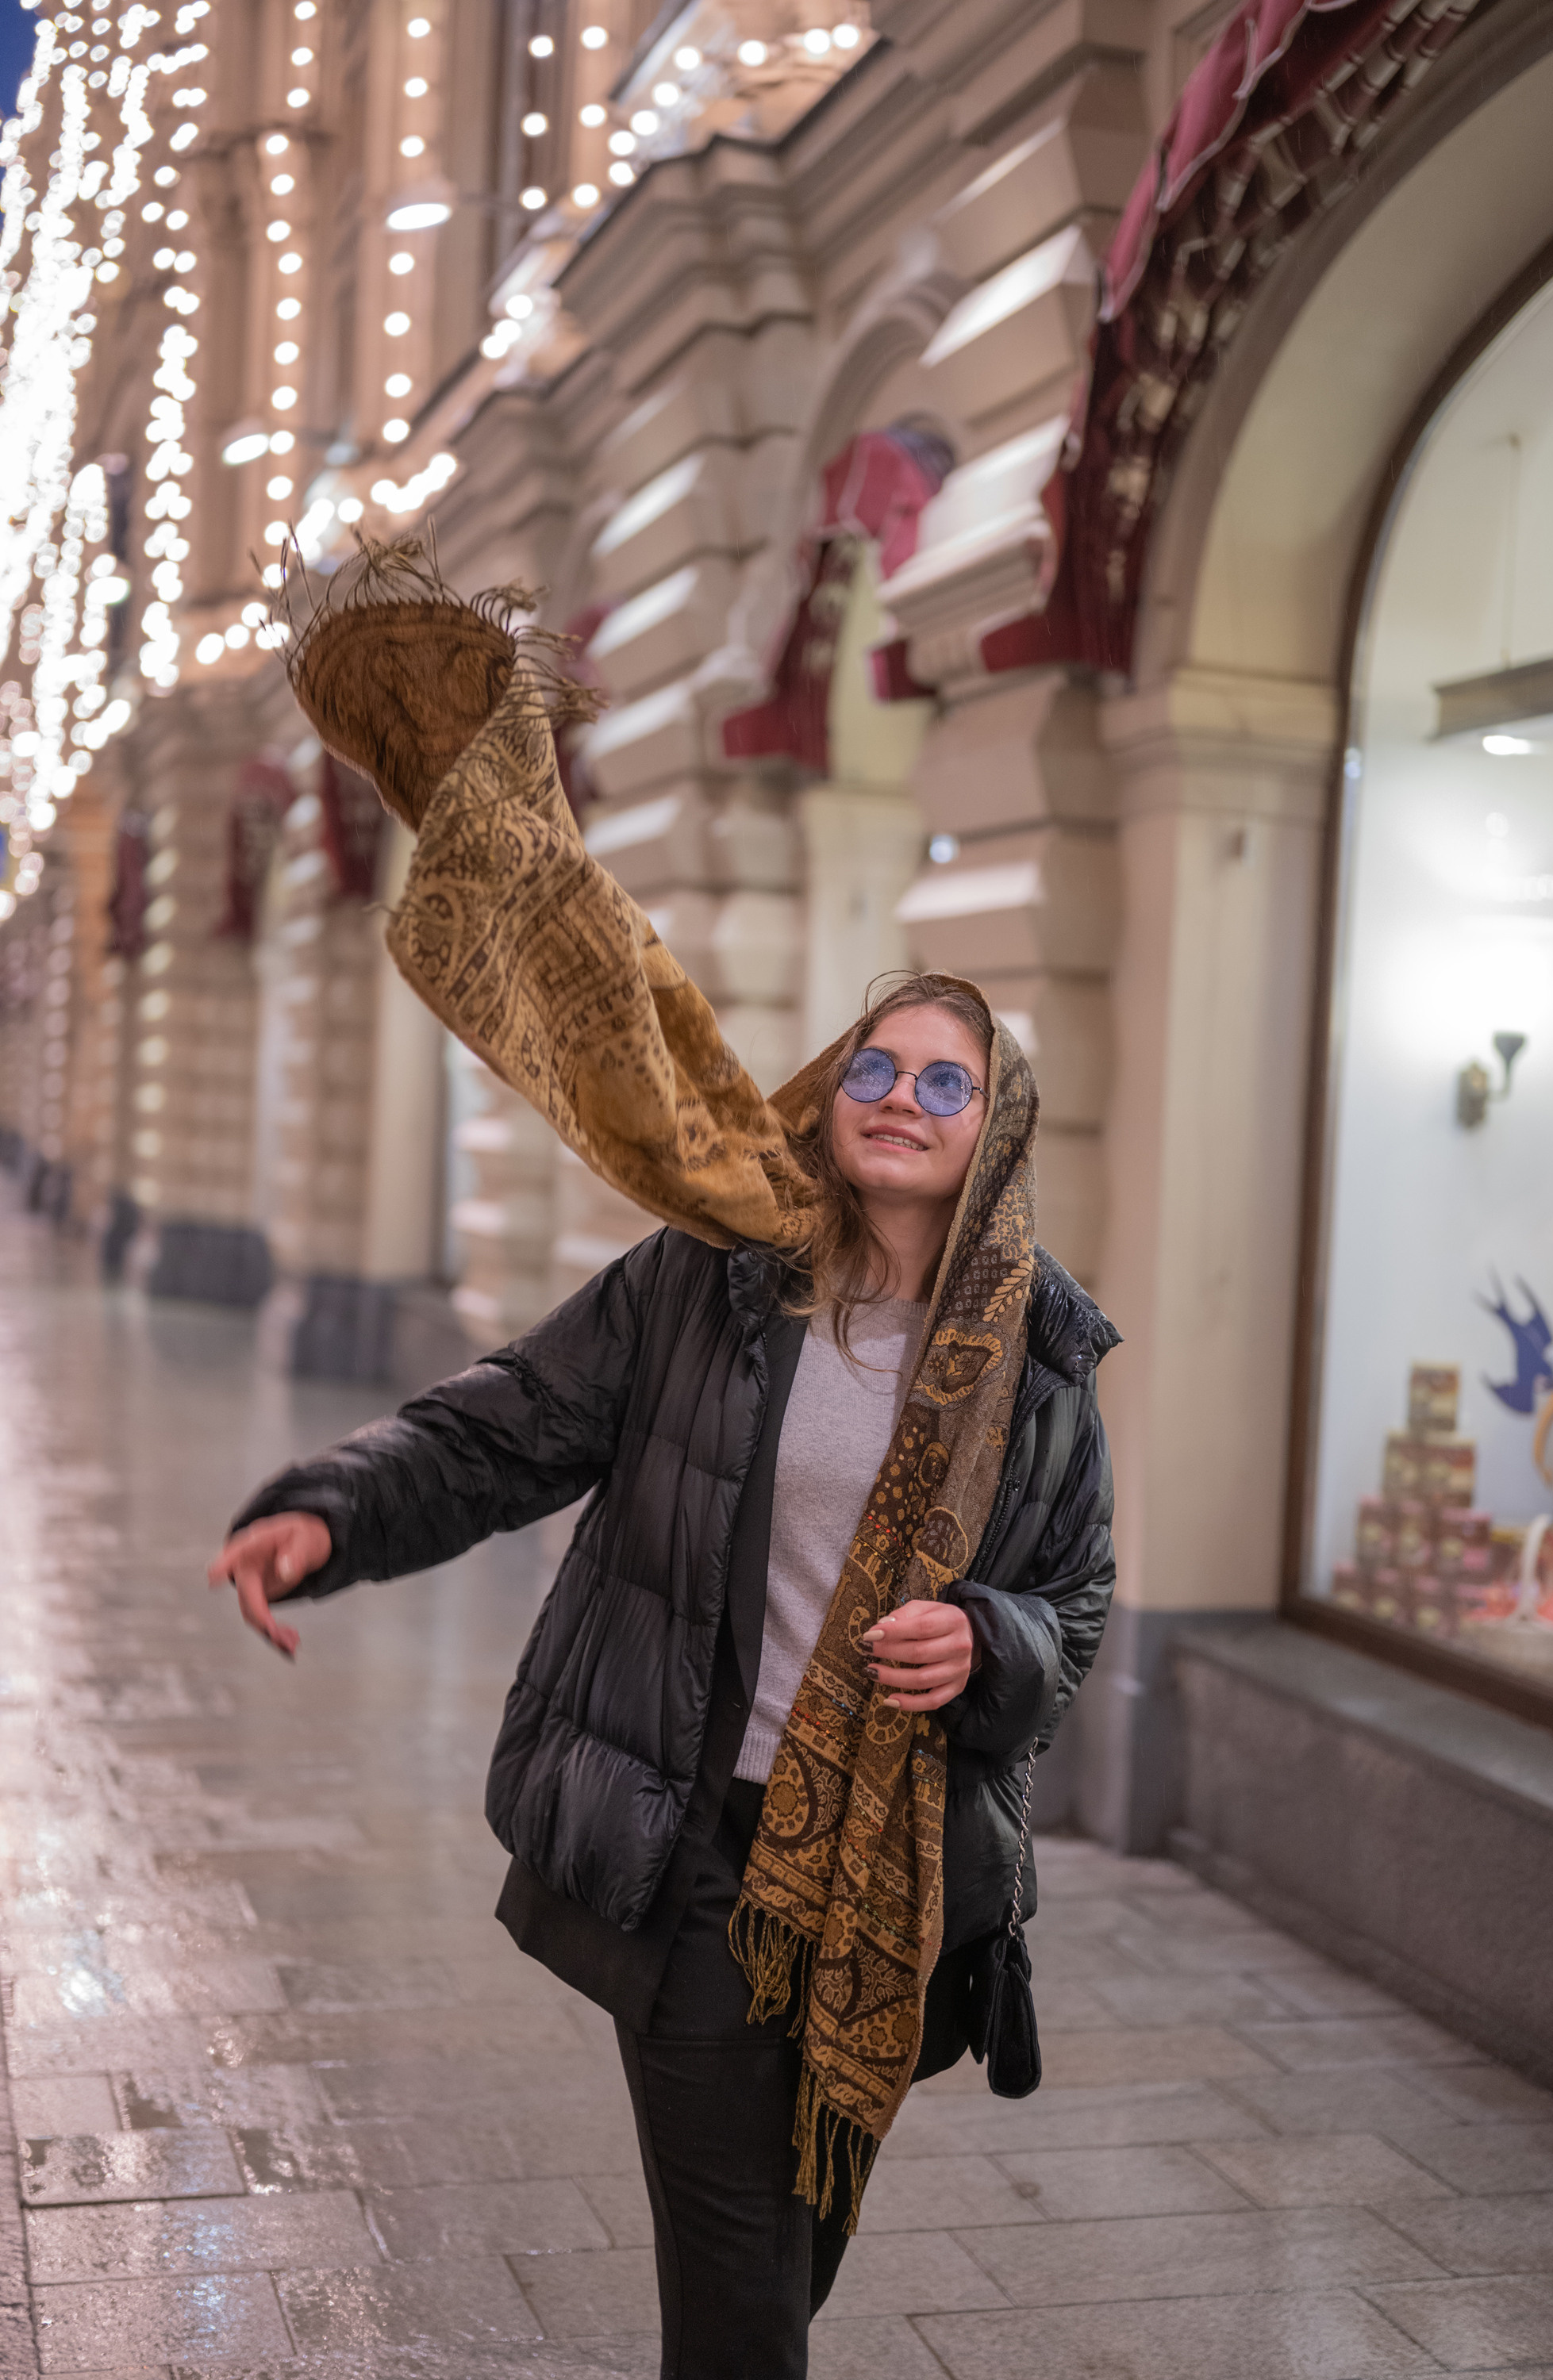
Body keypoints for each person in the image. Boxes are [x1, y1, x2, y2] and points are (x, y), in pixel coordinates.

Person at [209, 551, 1119, 2380]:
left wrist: (994, 1650)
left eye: (947, 1083)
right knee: (740, 2301)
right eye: (878, 1063)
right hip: (700, 1854)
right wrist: (327, 1505)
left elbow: (1078, 1601)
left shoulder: (1037, 1361)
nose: (899, 1099)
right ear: (832, 1083)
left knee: (791, 2257)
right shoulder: (707, 1280)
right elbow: (510, 1423)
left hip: (897, 1886)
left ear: (992, 1133)